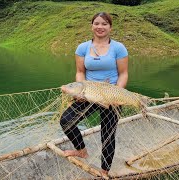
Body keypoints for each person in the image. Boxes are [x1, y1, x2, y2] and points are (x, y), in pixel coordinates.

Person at [60, 12, 128, 176]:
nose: (100, 27)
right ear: (92, 26)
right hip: (88, 93)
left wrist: (116, 95)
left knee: (108, 135)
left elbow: (124, 73)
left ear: (110, 27)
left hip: (111, 95)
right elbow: (80, 72)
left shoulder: (118, 48)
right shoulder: (82, 47)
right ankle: (81, 150)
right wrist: (80, 91)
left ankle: (104, 171)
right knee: (66, 120)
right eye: (97, 23)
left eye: (104, 24)